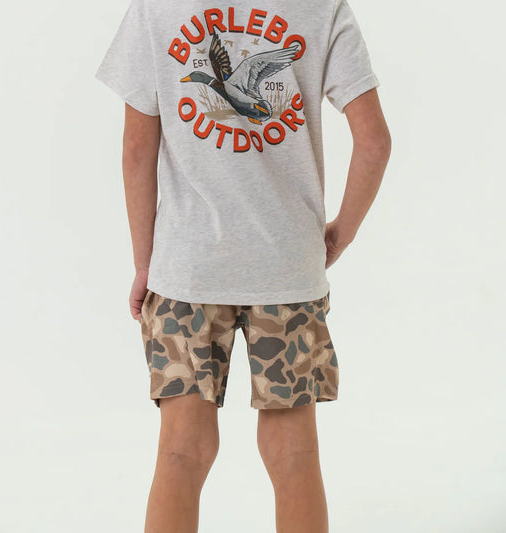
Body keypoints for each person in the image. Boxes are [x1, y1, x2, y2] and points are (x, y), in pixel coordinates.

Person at [95, 0, 391, 530]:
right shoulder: (323, 7)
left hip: (187, 271)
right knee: (294, 453)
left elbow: (136, 151)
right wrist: (338, 235)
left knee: (180, 453)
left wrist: (145, 263)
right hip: (288, 270)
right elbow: (374, 142)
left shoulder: (155, 8)